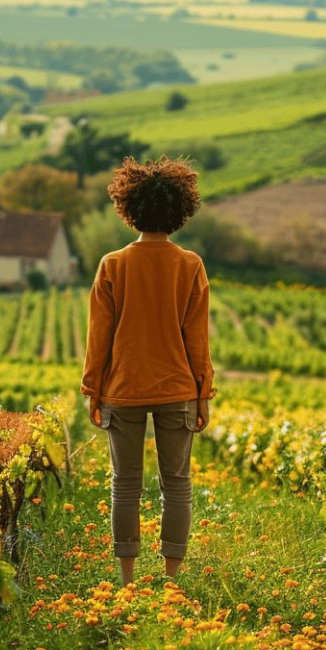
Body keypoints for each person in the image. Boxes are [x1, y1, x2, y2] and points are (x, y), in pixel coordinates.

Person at [81, 155, 215, 586]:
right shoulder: (190, 265)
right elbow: (198, 340)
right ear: (180, 211)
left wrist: (93, 390)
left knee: (126, 485)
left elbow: (98, 338)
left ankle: (126, 579)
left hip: (122, 390)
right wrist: (202, 392)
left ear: (129, 208)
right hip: (178, 389)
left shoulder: (113, 265)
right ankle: (171, 581)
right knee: (176, 484)